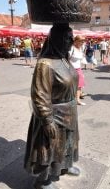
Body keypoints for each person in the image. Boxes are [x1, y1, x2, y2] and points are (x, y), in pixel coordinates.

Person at [24, 23, 80, 189]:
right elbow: (39, 95)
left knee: (68, 143)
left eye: (72, 38)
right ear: (57, 40)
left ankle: (63, 166)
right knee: (48, 149)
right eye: (68, 38)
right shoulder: (45, 64)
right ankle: (42, 180)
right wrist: (47, 120)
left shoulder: (64, 59)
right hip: (54, 114)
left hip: (69, 112)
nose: (71, 41)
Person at [69, 35, 86, 106]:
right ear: (75, 41)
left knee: (79, 86)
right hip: (71, 69)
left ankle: (77, 100)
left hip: (79, 69)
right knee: (70, 86)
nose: (82, 43)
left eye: (83, 41)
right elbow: (67, 59)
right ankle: (70, 100)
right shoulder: (71, 48)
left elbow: (81, 59)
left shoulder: (81, 49)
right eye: (81, 41)